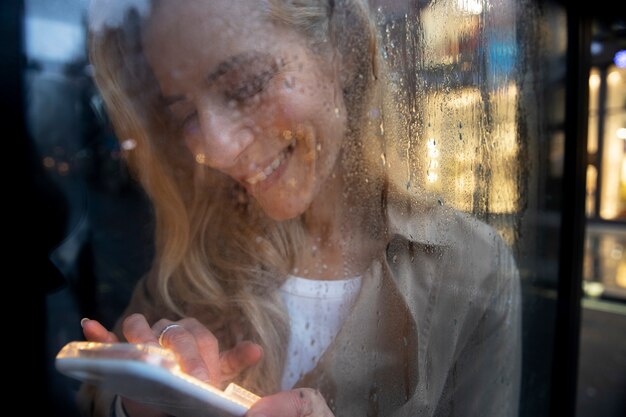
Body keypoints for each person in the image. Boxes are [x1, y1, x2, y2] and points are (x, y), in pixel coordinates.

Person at [79, 0, 522, 416]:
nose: (218, 148)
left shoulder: (468, 268)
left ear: (341, 51)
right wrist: (141, 405)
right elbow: (96, 399)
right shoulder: (190, 259)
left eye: (246, 85)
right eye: (184, 115)